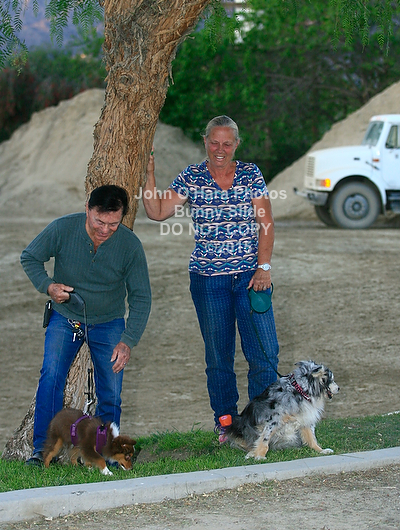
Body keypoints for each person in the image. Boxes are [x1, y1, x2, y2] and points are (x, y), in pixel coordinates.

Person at [142, 115, 279, 443]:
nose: (220, 149)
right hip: (208, 281)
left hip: (250, 279)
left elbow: (266, 223)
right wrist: (149, 173)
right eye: (214, 142)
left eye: (227, 143)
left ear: (236, 145)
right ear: (205, 141)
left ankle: (262, 422)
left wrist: (264, 267)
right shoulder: (192, 176)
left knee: (265, 353)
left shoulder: (250, 174)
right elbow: (157, 212)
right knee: (219, 357)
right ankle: (227, 423)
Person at [21, 184, 151, 465]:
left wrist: (128, 340)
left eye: (113, 224)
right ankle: (42, 451)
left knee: (111, 391)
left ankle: (108, 452)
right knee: (50, 378)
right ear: (87, 209)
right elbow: (29, 257)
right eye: (99, 221)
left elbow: (141, 297)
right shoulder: (62, 228)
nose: (105, 230)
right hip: (65, 317)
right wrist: (48, 286)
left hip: (109, 322)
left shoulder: (129, 245)